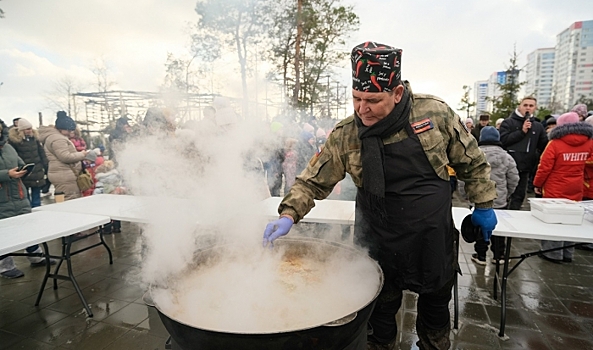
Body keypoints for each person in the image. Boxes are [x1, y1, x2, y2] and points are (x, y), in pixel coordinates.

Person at [262, 42, 497, 350]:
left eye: (372, 100)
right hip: (378, 237)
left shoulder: (434, 114)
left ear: (397, 93)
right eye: (357, 99)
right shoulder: (347, 133)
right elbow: (311, 181)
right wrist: (288, 214)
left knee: (435, 312)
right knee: (378, 316)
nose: (362, 109)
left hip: (430, 235)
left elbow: (473, 162)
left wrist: (484, 204)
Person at [534, 112, 593, 263]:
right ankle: (568, 253)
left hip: (556, 186)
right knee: (572, 220)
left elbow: (544, 167)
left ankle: (552, 253)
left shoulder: (555, 143)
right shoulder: (588, 142)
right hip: (577, 185)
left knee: (554, 219)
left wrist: (538, 184)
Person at [0, 119, 53, 279]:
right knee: (4, 231)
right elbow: (7, 172)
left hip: (19, 193)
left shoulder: (8, 147)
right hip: (2, 197)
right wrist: (6, 174)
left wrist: (24, 169)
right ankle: (5, 265)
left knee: (26, 224)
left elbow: (19, 163)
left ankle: (35, 256)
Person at [468, 127, 519, 265]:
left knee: (479, 227)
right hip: (499, 199)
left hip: (478, 199)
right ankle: (499, 255)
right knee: (499, 227)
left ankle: (481, 255)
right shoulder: (507, 157)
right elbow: (514, 178)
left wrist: (467, 195)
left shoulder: (473, 155)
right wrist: (508, 193)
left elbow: (464, 178)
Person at [499, 97, 548, 210]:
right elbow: (503, 140)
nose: (528, 108)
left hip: (525, 168)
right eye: (525, 105)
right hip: (508, 167)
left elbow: (544, 146)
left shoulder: (538, 126)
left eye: (531, 106)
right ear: (519, 106)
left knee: (519, 196)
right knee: (504, 195)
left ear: (535, 108)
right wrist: (522, 132)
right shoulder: (508, 122)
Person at [39, 111, 95, 201]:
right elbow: (65, 157)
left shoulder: (55, 137)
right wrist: (82, 154)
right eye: (68, 130)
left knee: (68, 199)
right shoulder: (58, 139)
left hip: (63, 173)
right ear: (61, 128)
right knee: (70, 201)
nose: (70, 133)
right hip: (64, 175)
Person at [8, 118, 48, 208]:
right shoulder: (15, 142)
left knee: (36, 192)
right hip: (25, 169)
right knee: (25, 192)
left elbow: (41, 152)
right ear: (22, 130)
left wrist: (46, 165)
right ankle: (28, 208)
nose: (30, 130)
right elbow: (14, 156)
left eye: (30, 128)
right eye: (27, 129)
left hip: (37, 169)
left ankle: (37, 207)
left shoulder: (35, 139)